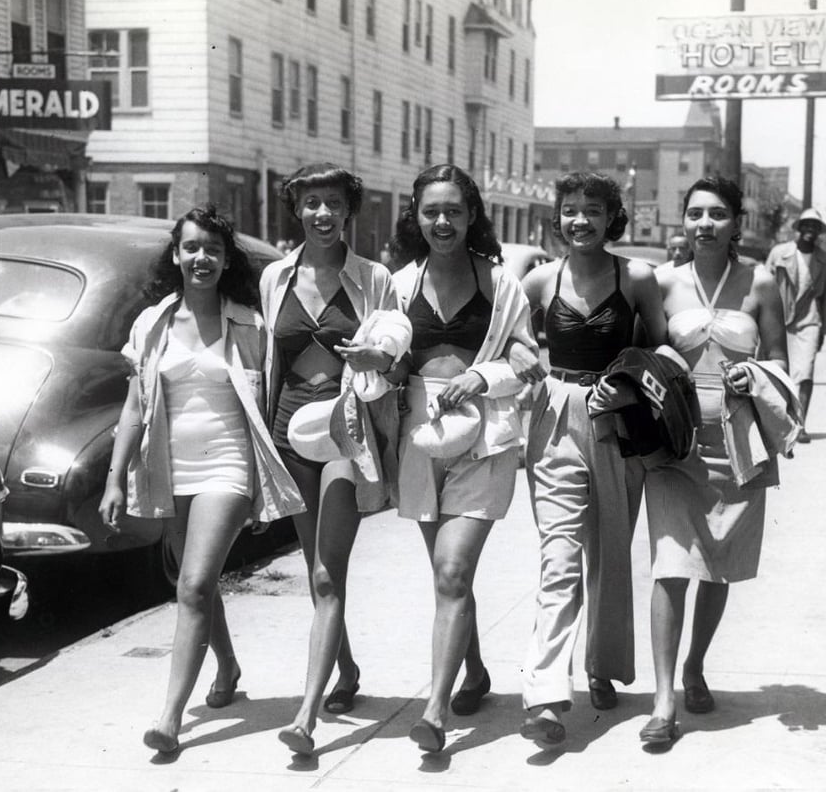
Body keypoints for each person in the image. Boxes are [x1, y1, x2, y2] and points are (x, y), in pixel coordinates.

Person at [99, 205, 305, 754]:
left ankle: (169, 719)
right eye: (191, 247)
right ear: (176, 255)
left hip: (228, 464)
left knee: (191, 586)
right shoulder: (152, 324)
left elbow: (272, 398)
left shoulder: (251, 325)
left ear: (226, 259)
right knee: (195, 579)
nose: (202, 258)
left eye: (213, 249)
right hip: (170, 466)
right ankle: (228, 665)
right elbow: (134, 407)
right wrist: (115, 479)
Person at [505, 172, 668, 747]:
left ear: (611, 218)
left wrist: (631, 383)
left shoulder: (637, 278)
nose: (580, 220)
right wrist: (521, 351)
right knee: (560, 558)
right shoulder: (538, 280)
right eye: (570, 210)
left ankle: (602, 665)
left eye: (593, 210)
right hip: (555, 416)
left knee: (610, 553)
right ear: (557, 218)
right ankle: (546, 694)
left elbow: (660, 348)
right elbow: (505, 336)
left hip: (617, 420)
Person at [390, 164, 538, 753]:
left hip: (484, 438)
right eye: (432, 211)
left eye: (454, 210)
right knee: (448, 575)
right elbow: (388, 361)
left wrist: (483, 375)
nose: (443, 222)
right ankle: (473, 672)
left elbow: (527, 363)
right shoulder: (400, 285)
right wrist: (378, 364)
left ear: (472, 214)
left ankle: (434, 712)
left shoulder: (501, 285)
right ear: (417, 216)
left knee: (453, 571)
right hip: (422, 438)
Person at [261, 163, 405, 757]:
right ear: (296, 209)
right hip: (287, 432)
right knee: (315, 568)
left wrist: (380, 358)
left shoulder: (374, 278)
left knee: (326, 573)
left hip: (347, 431)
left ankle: (305, 718)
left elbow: (398, 361)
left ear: (350, 211)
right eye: (312, 202)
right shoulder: (275, 276)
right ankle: (345, 671)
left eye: (334, 203)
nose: (323, 213)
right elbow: (264, 357)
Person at [644, 177, 792, 747]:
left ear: (736, 223)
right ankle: (663, 701)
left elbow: (779, 359)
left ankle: (695, 665)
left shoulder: (760, 282)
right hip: (675, 446)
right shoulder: (661, 282)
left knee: (718, 565)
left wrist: (754, 374)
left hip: (739, 445)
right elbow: (640, 361)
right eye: (695, 213)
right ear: (683, 221)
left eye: (717, 214)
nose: (704, 224)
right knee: (671, 567)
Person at [764, 207, 826, 443]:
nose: (810, 230)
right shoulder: (779, 253)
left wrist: (823, 330)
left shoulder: (824, 261)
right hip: (780, 319)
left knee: (805, 372)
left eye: (815, 226)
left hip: (809, 320)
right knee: (778, 372)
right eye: (807, 225)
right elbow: (763, 288)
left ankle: (800, 425)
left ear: (819, 231)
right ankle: (779, 424)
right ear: (800, 228)